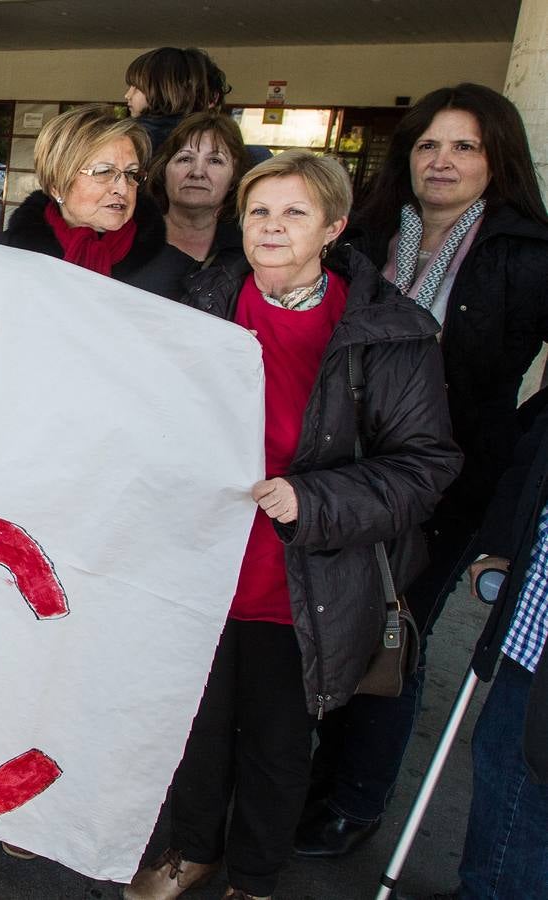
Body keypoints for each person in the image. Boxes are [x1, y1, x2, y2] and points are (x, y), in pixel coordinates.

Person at [125, 151, 462, 900]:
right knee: (197, 728)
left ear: (333, 227)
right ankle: (193, 849)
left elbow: (425, 465)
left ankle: (253, 877)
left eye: (295, 213)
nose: (272, 227)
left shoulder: (386, 332)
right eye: (259, 212)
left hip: (307, 574)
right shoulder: (200, 304)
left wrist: (313, 501)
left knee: (278, 744)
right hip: (205, 568)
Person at [296, 83, 548, 859]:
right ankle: (305, 782)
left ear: (496, 159)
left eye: (465, 147)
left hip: (448, 482)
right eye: (429, 145)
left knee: (391, 635)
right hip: (345, 469)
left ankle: (355, 799)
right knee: (328, 625)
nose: (442, 162)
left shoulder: (527, 253)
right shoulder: (362, 240)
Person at [443, 393, 548, 900]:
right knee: (501, 755)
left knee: (520, 779)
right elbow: (533, 451)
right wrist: (503, 543)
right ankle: (480, 888)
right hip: (533, 620)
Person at [0, 104, 193, 298]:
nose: (122, 188)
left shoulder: (176, 271)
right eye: (104, 172)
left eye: (131, 174)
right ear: (57, 186)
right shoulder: (3, 256)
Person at [147, 111, 248, 267]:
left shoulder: (249, 249)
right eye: (185, 159)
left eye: (215, 161)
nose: (197, 172)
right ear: (163, 170)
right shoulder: (130, 239)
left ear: (234, 177)